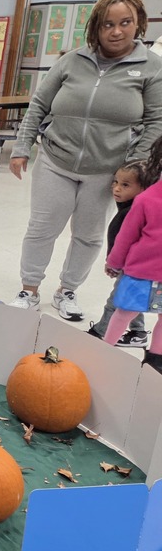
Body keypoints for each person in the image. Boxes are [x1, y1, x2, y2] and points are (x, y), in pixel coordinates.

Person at [8, 0, 162, 321]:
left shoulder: (151, 68)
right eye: (108, 24)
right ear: (96, 26)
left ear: (138, 24)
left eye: (125, 23)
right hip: (55, 159)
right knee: (42, 227)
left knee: (88, 234)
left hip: (108, 169)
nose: (116, 31)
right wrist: (22, 147)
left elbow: (157, 121)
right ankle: (29, 288)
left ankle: (68, 291)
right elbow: (39, 104)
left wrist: (133, 166)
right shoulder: (72, 61)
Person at [103, 139, 162, 374]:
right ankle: (106, 350)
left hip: (145, 272)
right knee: (125, 311)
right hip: (140, 272)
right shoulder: (146, 200)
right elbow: (126, 235)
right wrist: (114, 262)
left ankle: (156, 359)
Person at [88, 161, 148, 346]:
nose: (117, 189)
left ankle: (100, 332)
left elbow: (126, 240)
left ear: (143, 188)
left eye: (125, 185)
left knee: (116, 300)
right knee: (130, 299)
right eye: (115, 182)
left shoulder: (134, 211)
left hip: (132, 266)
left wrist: (115, 262)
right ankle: (138, 332)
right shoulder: (127, 208)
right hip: (126, 265)